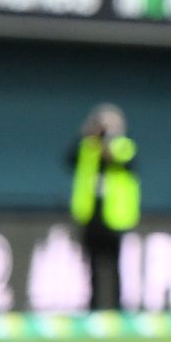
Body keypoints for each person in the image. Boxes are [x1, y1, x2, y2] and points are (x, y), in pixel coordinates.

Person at [69, 104, 139, 312]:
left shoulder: (125, 146)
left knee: (115, 265)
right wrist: (87, 134)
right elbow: (69, 159)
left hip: (115, 218)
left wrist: (109, 141)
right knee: (91, 264)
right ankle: (93, 307)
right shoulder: (87, 147)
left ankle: (117, 307)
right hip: (91, 216)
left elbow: (124, 162)